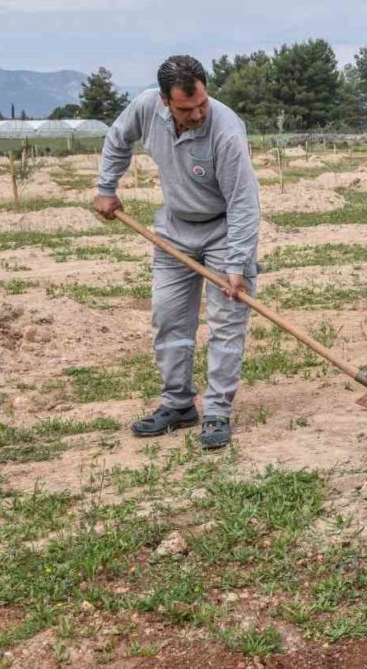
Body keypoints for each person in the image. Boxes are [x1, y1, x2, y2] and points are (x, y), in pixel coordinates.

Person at [92, 55, 260, 450]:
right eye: (187, 108)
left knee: (226, 322)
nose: (198, 113)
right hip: (174, 232)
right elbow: (118, 139)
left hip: (223, 231)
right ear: (166, 102)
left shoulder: (226, 131)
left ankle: (217, 410)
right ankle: (178, 404)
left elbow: (243, 203)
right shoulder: (146, 108)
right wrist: (106, 187)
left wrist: (237, 263)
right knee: (168, 319)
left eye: (202, 103)